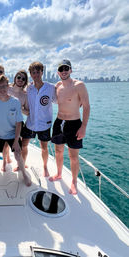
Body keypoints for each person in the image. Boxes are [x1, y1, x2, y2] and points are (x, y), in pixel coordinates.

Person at [49, 59, 90, 195]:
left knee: (73, 156)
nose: (64, 71)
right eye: (61, 69)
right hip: (59, 122)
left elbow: (86, 106)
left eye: (66, 68)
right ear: (58, 72)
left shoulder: (79, 85)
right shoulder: (57, 86)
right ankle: (59, 173)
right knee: (58, 152)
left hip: (74, 123)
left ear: (71, 70)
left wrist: (83, 126)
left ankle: (74, 181)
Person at [0, 75, 31, 187]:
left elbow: (19, 123)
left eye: (4, 86)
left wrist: (16, 140)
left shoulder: (15, 102)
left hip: (12, 134)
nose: (2, 89)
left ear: (8, 86)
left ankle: (24, 173)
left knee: (18, 155)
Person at [21, 61, 56, 177]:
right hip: (30, 123)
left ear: (42, 72)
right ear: (30, 74)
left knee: (44, 148)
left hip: (44, 124)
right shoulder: (28, 88)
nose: (36, 75)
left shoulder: (50, 88)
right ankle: (22, 164)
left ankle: (45, 167)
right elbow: (12, 88)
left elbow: (60, 99)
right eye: (33, 73)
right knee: (24, 145)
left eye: (38, 72)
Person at [3, 70, 29, 171]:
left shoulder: (25, 95)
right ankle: (4, 163)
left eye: (23, 78)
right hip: (5, 121)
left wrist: (19, 108)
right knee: (5, 145)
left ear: (25, 81)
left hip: (18, 122)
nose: (20, 80)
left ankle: (20, 164)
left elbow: (27, 112)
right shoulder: (7, 88)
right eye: (19, 77)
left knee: (19, 145)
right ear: (15, 78)